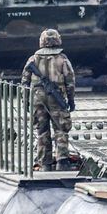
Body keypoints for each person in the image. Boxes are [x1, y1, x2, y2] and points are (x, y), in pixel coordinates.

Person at [21, 29, 76, 171]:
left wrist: (26, 101)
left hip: (37, 99)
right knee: (61, 129)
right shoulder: (62, 59)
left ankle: (45, 163)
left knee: (42, 131)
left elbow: (24, 82)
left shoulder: (32, 59)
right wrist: (70, 101)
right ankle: (62, 161)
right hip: (56, 99)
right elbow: (70, 82)